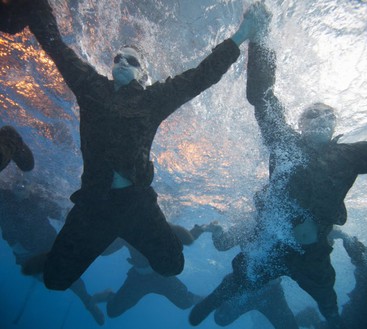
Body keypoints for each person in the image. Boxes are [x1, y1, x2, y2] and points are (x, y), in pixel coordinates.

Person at [189, 4, 367, 329]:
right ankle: (217, 298)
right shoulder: (284, 140)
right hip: (272, 243)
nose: (319, 120)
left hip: (314, 253)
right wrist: (261, 39)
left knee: (326, 295)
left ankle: (332, 317)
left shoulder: (349, 156)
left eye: (327, 116)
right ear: (301, 124)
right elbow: (262, 96)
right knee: (243, 275)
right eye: (311, 115)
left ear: (335, 125)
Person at [2, 0, 263, 291]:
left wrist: (242, 34)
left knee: (171, 266)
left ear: (143, 74)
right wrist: (35, 8)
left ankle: (133, 236)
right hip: (93, 205)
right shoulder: (91, 86)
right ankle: (98, 241)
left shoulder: (154, 99)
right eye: (118, 58)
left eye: (132, 61)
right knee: (55, 281)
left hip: (135, 204)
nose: (123, 62)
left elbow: (200, 77)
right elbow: (58, 49)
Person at [0, 183, 106, 325]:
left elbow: (61, 213)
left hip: (48, 244)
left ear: (30, 189)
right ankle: (86, 300)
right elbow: (9, 234)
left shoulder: (36, 199)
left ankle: (88, 301)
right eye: (17, 185)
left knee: (68, 276)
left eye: (25, 185)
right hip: (27, 251)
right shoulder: (5, 201)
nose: (21, 188)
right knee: (46, 277)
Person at [195, 218, 299, 329]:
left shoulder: (284, 223)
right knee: (221, 319)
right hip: (243, 287)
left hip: (270, 292)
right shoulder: (248, 224)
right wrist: (217, 231)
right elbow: (223, 244)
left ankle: (257, 317)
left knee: (289, 326)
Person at [91, 224, 203, 318]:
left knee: (185, 303)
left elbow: (185, 238)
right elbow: (105, 252)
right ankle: (109, 295)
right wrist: (117, 235)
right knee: (112, 311)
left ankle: (207, 300)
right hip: (139, 278)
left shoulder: (160, 226)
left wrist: (201, 229)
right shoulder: (128, 230)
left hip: (161, 276)